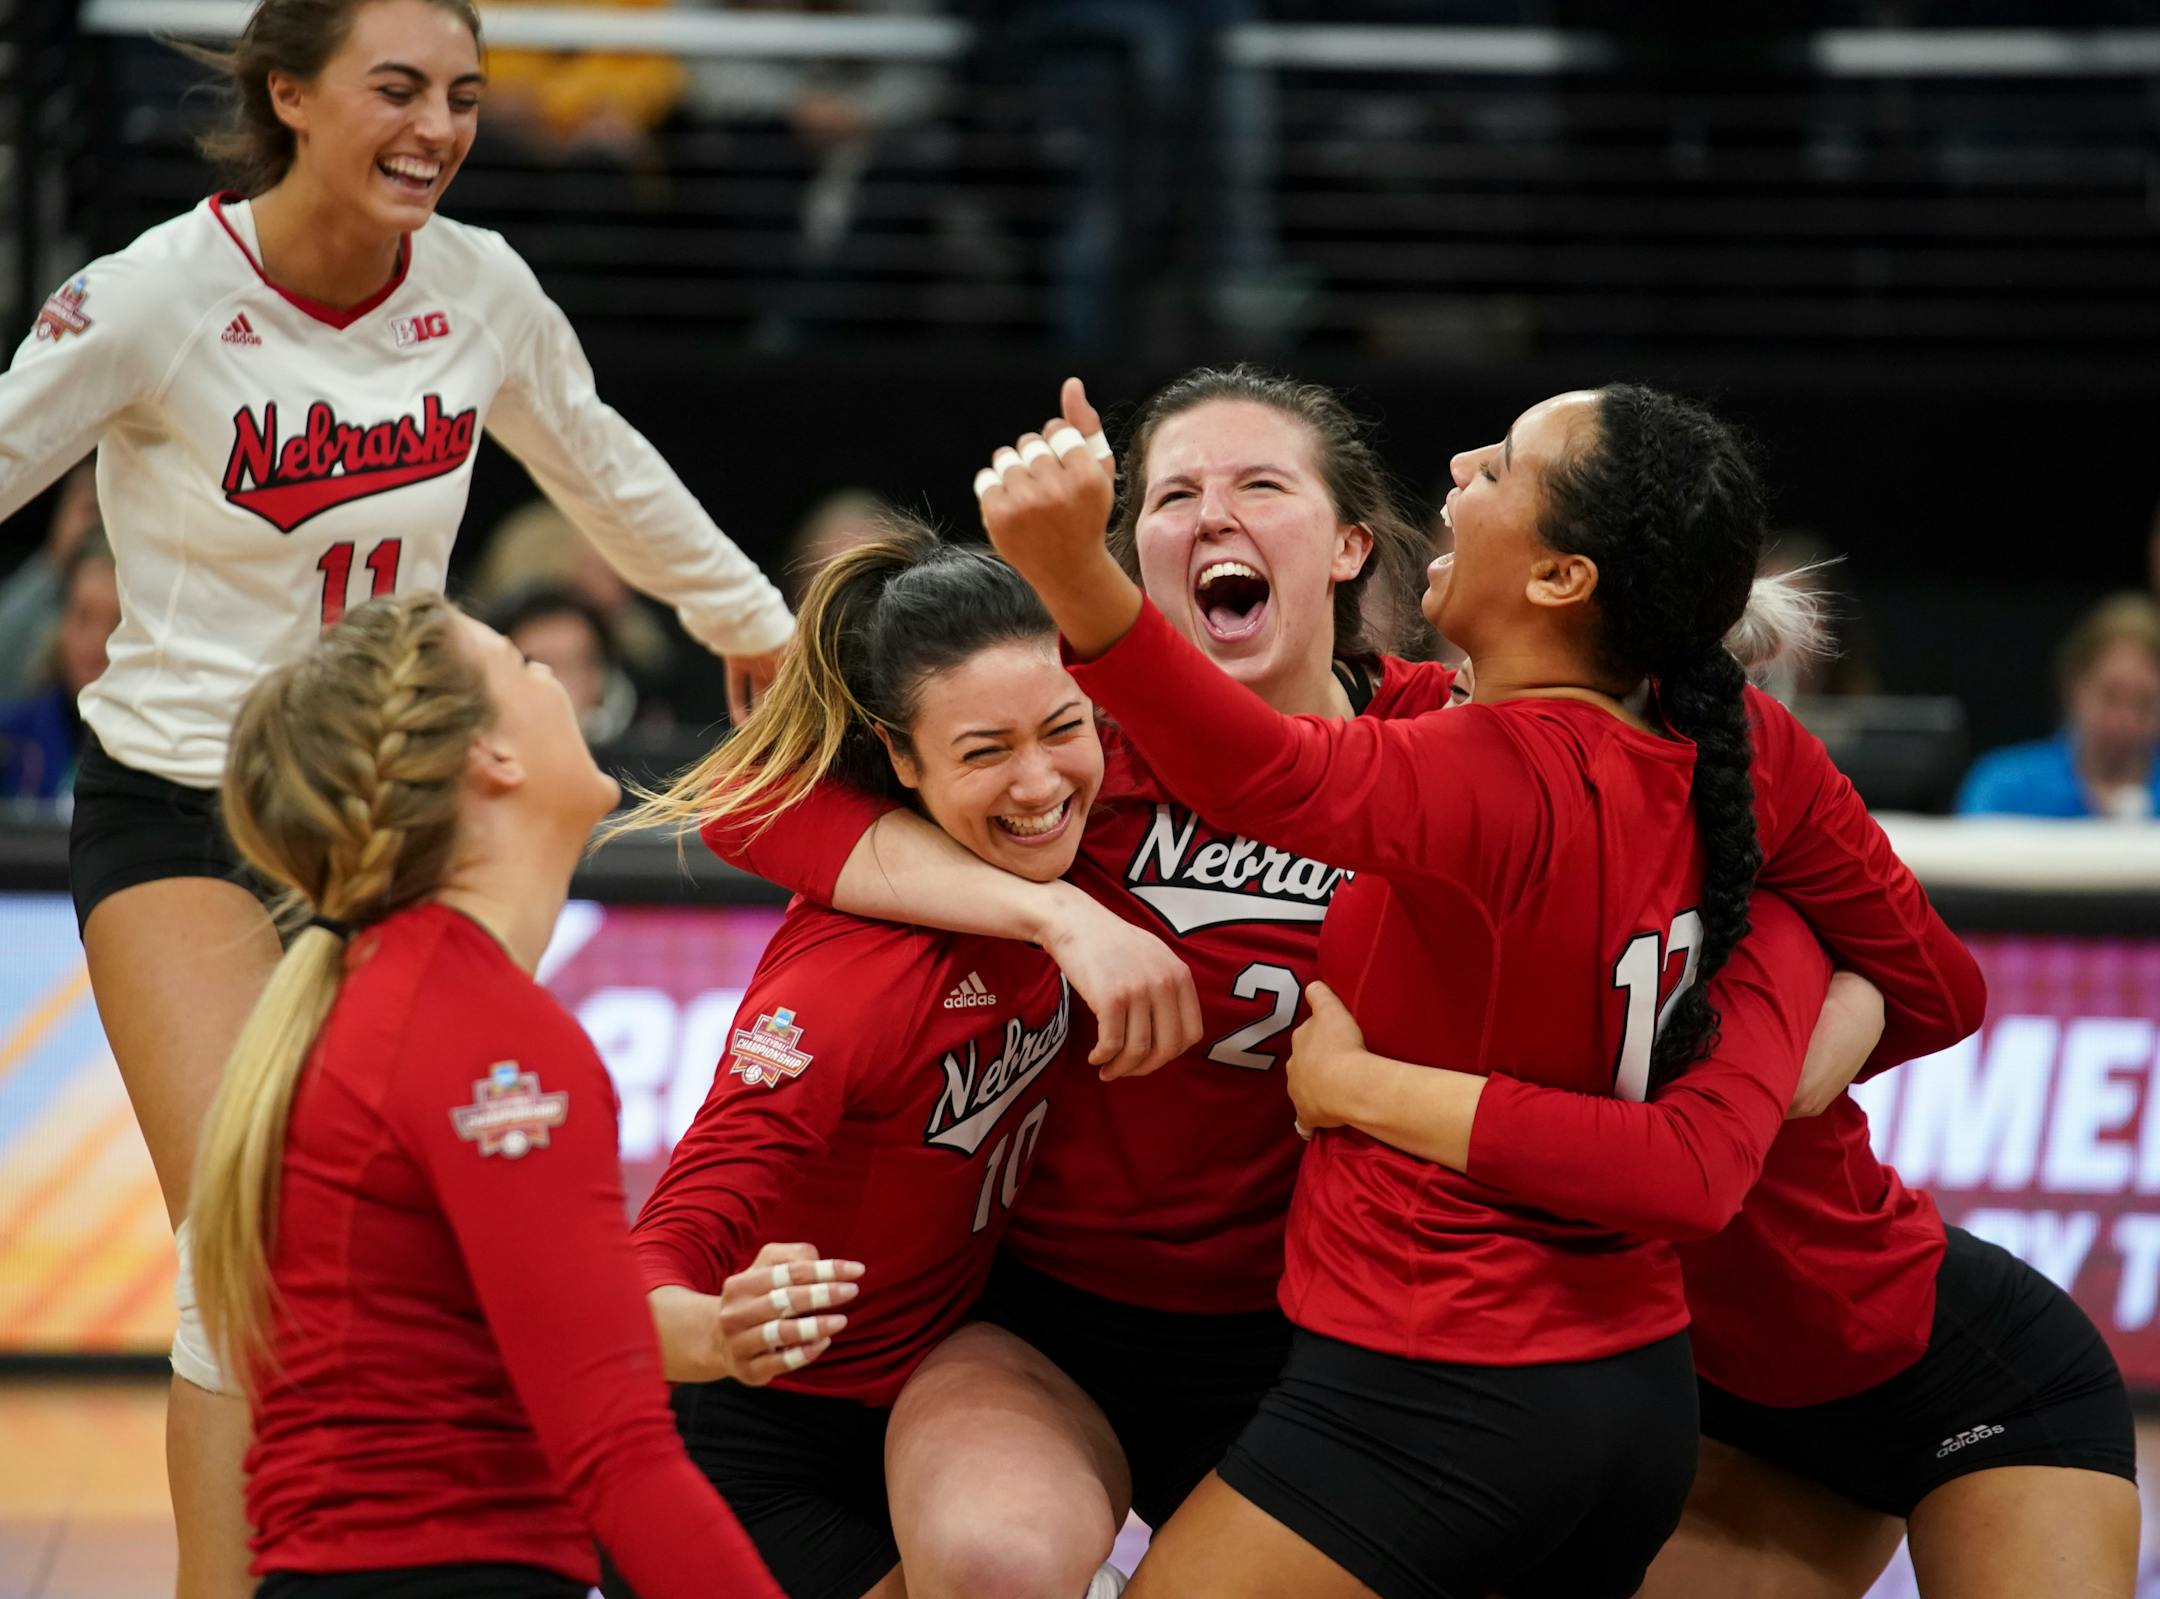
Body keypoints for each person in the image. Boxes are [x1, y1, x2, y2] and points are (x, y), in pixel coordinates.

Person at [0, 2, 793, 1590]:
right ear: (289, 94)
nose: (437, 127)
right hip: (186, 808)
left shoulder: (478, 285)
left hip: (392, 818)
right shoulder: (153, 296)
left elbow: (598, 459)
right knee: (233, 1253)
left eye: (465, 96)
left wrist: (755, 619)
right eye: (399, 88)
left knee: (372, 1252)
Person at [973, 377, 1970, 1599]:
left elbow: (1256, 774)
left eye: (1497, 467)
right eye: (1174, 495)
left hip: (1436, 1359)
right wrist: (1796, 1005)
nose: (1456, 469)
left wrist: (1072, 576)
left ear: (1559, 577)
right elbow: (1911, 1000)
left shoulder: (1472, 762)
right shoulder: (1718, 758)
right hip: (1635, 1385)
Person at [698, 367, 1458, 1580]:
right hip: (1042, 1322)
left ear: (1351, 546)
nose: (1215, 516)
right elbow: (749, 802)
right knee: (992, 1564)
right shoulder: (1065, 731)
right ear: (1125, 555)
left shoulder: (1438, 740)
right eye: (1174, 496)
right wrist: (1058, 915)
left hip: (1311, 1330)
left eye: (1261, 486)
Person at [607, 519, 1198, 1599]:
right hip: (751, 1447)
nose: (1039, 781)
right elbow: (653, 1264)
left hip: (933, 1401)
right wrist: (723, 1332)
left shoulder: (1078, 826)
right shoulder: (854, 981)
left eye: (1062, 727)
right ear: (901, 758)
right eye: (984, 751)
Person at [188, 592, 785, 1599]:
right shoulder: (484, 1037)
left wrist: (715, 1332)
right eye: (522, 663)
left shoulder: (382, 992)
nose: (553, 680)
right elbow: (620, 1457)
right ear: (491, 758)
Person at [1956, 592, 2160, 820]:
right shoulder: (2004, 789)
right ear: (2075, 687)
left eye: (2145, 703)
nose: (2125, 721)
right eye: (2110, 697)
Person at [0, 528, 118, 802]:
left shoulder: (160, 751)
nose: (97, 641)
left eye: (116, 623)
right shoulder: (10, 738)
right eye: (83, 616)